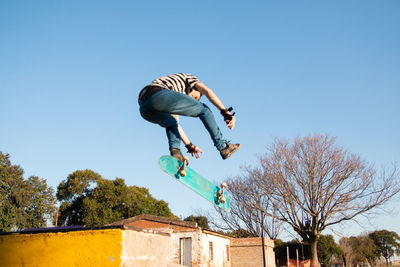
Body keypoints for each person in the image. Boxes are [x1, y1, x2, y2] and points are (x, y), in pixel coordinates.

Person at [138, 73, 241, 161]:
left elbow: (177, 125)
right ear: (195, 90)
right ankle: (223, 146)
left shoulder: (174, 97)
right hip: (159, 95)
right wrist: (225, 112)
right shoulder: (189, 78)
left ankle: (176, 153)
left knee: (172, 123)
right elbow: (208, 92)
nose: (195, 100)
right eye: (197, 97)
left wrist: (189, 145)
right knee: (205, 110)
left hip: (144, 109)